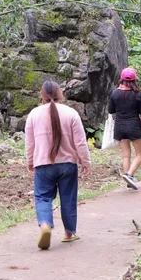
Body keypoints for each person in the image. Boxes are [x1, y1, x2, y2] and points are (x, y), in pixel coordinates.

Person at [25, 80, 92, 250]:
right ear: (60, 94)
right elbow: (80, 142)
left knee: (42, 197)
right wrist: (85, 162)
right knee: (68, 197)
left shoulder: (34, 114)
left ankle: (45, 224)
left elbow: (30, 143)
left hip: (43, 164)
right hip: (68, 165)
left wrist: (30, 161)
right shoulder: (71, 113)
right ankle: (69, 233)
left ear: (42, 96)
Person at [108, 67, 141, 190]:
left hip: (119, 127)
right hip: (134, 126)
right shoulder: (137, 94)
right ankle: (129, 175)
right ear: (134, 80)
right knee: (140, 154)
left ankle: (129, 181)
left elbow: (111, 110)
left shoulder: (114, 93)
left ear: (122, 79)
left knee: (126, 155)